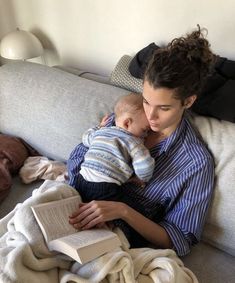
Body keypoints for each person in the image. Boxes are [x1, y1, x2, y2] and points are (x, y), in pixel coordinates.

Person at [67, 26, 215, 256]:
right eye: (147, 101)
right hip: (75, 206)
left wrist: (122, 211)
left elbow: (179, 239)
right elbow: (78, 155)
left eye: (163, 108)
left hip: (118, 239)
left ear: (188, 102)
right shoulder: (127, 118)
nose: (150, 116)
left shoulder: (195, 163)